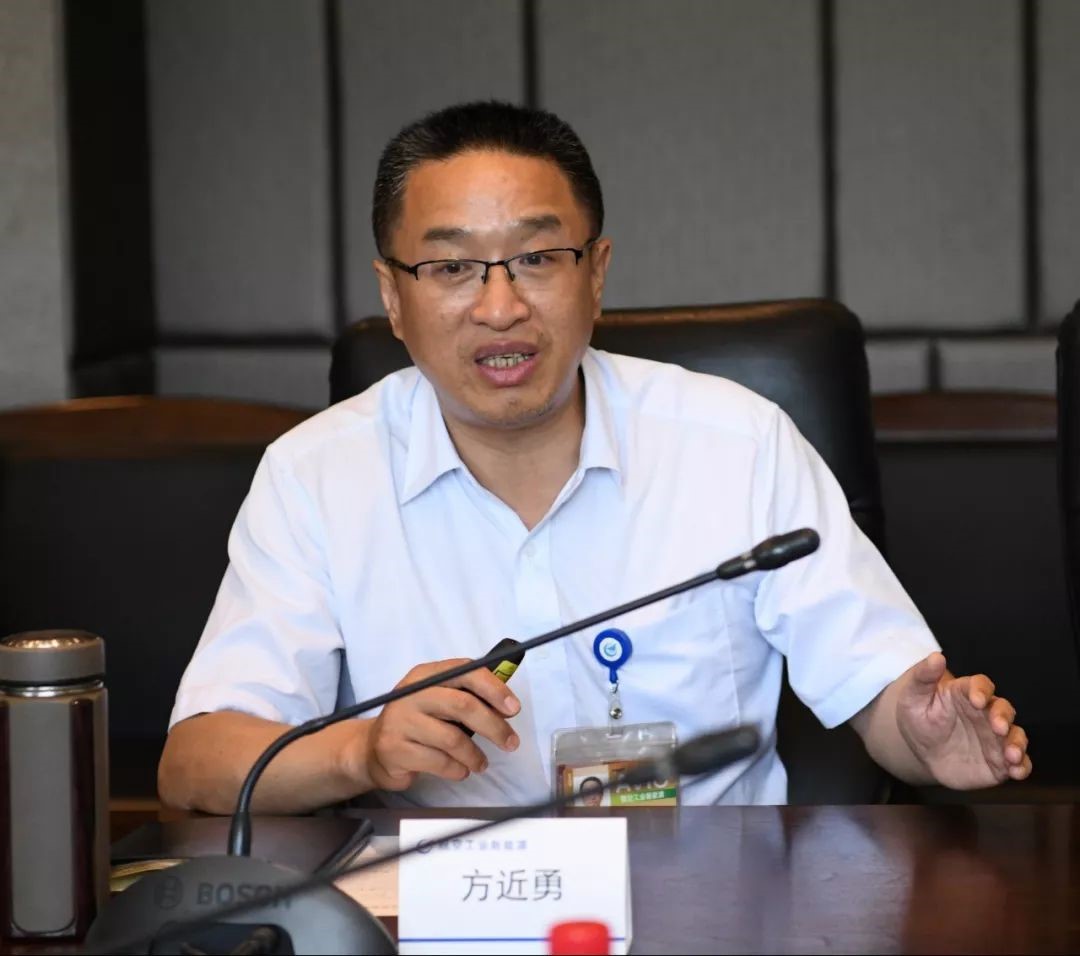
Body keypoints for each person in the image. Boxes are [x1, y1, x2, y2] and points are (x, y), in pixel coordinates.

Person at [158, 101, 1031, 813]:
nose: (499, 307)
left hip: (715, 907)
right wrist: (362, 750)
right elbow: (196, 763)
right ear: (394, 294)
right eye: (453, 268)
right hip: (447, 912)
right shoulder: (315, 476)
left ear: (597, 272)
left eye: (538, 257)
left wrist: (928, 740)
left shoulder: (738, 444)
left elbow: (884, 693)